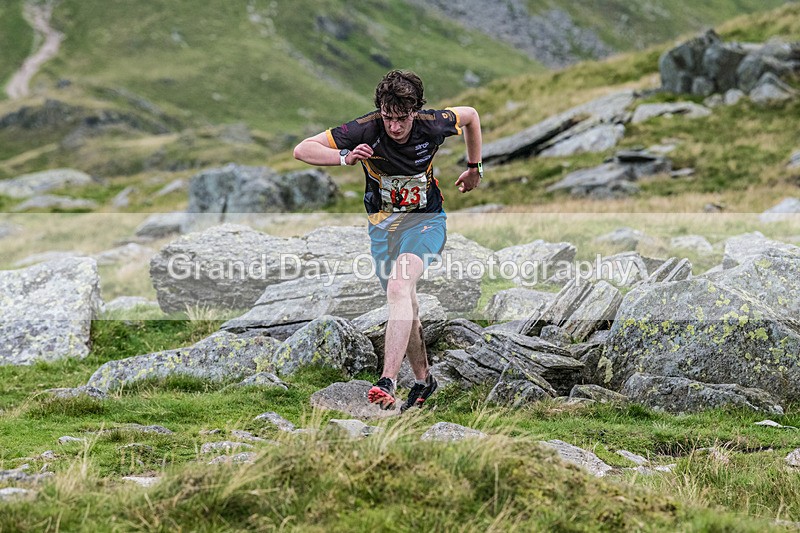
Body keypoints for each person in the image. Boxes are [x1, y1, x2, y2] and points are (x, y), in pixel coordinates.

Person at [293, 69, 483, 411]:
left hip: (425, 222)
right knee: (404, 303)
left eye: (402, 119)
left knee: (398, 286)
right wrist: (344, 157)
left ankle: (387, 381)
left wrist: (474, 167)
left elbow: (470, 116)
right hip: (382, 230)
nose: (394, 127)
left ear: (415, 111)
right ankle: (424, 381)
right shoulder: (365, 128)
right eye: (388, 117)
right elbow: (302, 149)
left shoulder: (432, 124)